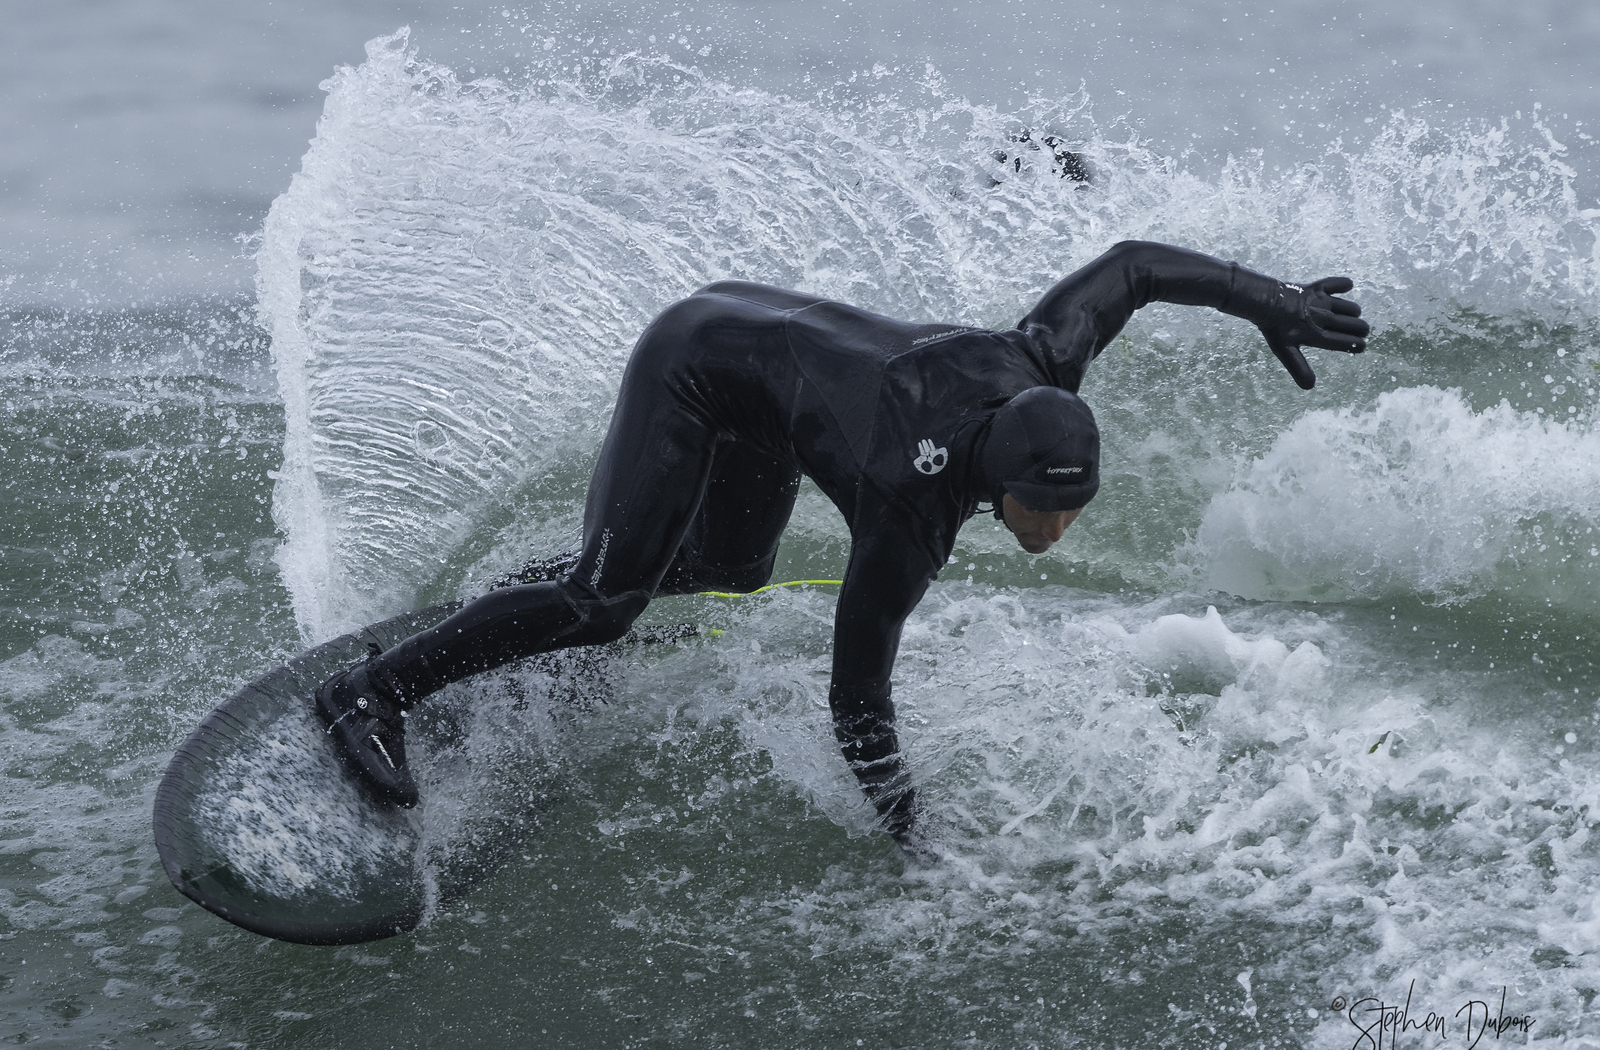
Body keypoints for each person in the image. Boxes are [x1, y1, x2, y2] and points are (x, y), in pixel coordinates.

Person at [316, 240, 1369, 852]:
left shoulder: (1038, 364)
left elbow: (1133, 267)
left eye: (1074, 508)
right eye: (1045, 512)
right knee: (607, 607)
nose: (1057, 530)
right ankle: (377, 690)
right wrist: (904, 827)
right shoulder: (899, 515)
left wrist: (1273, 304)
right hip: (697, 362)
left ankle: (547, 595)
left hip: (770, 385)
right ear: (995, 481)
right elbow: (856, 692)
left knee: (732, 571)